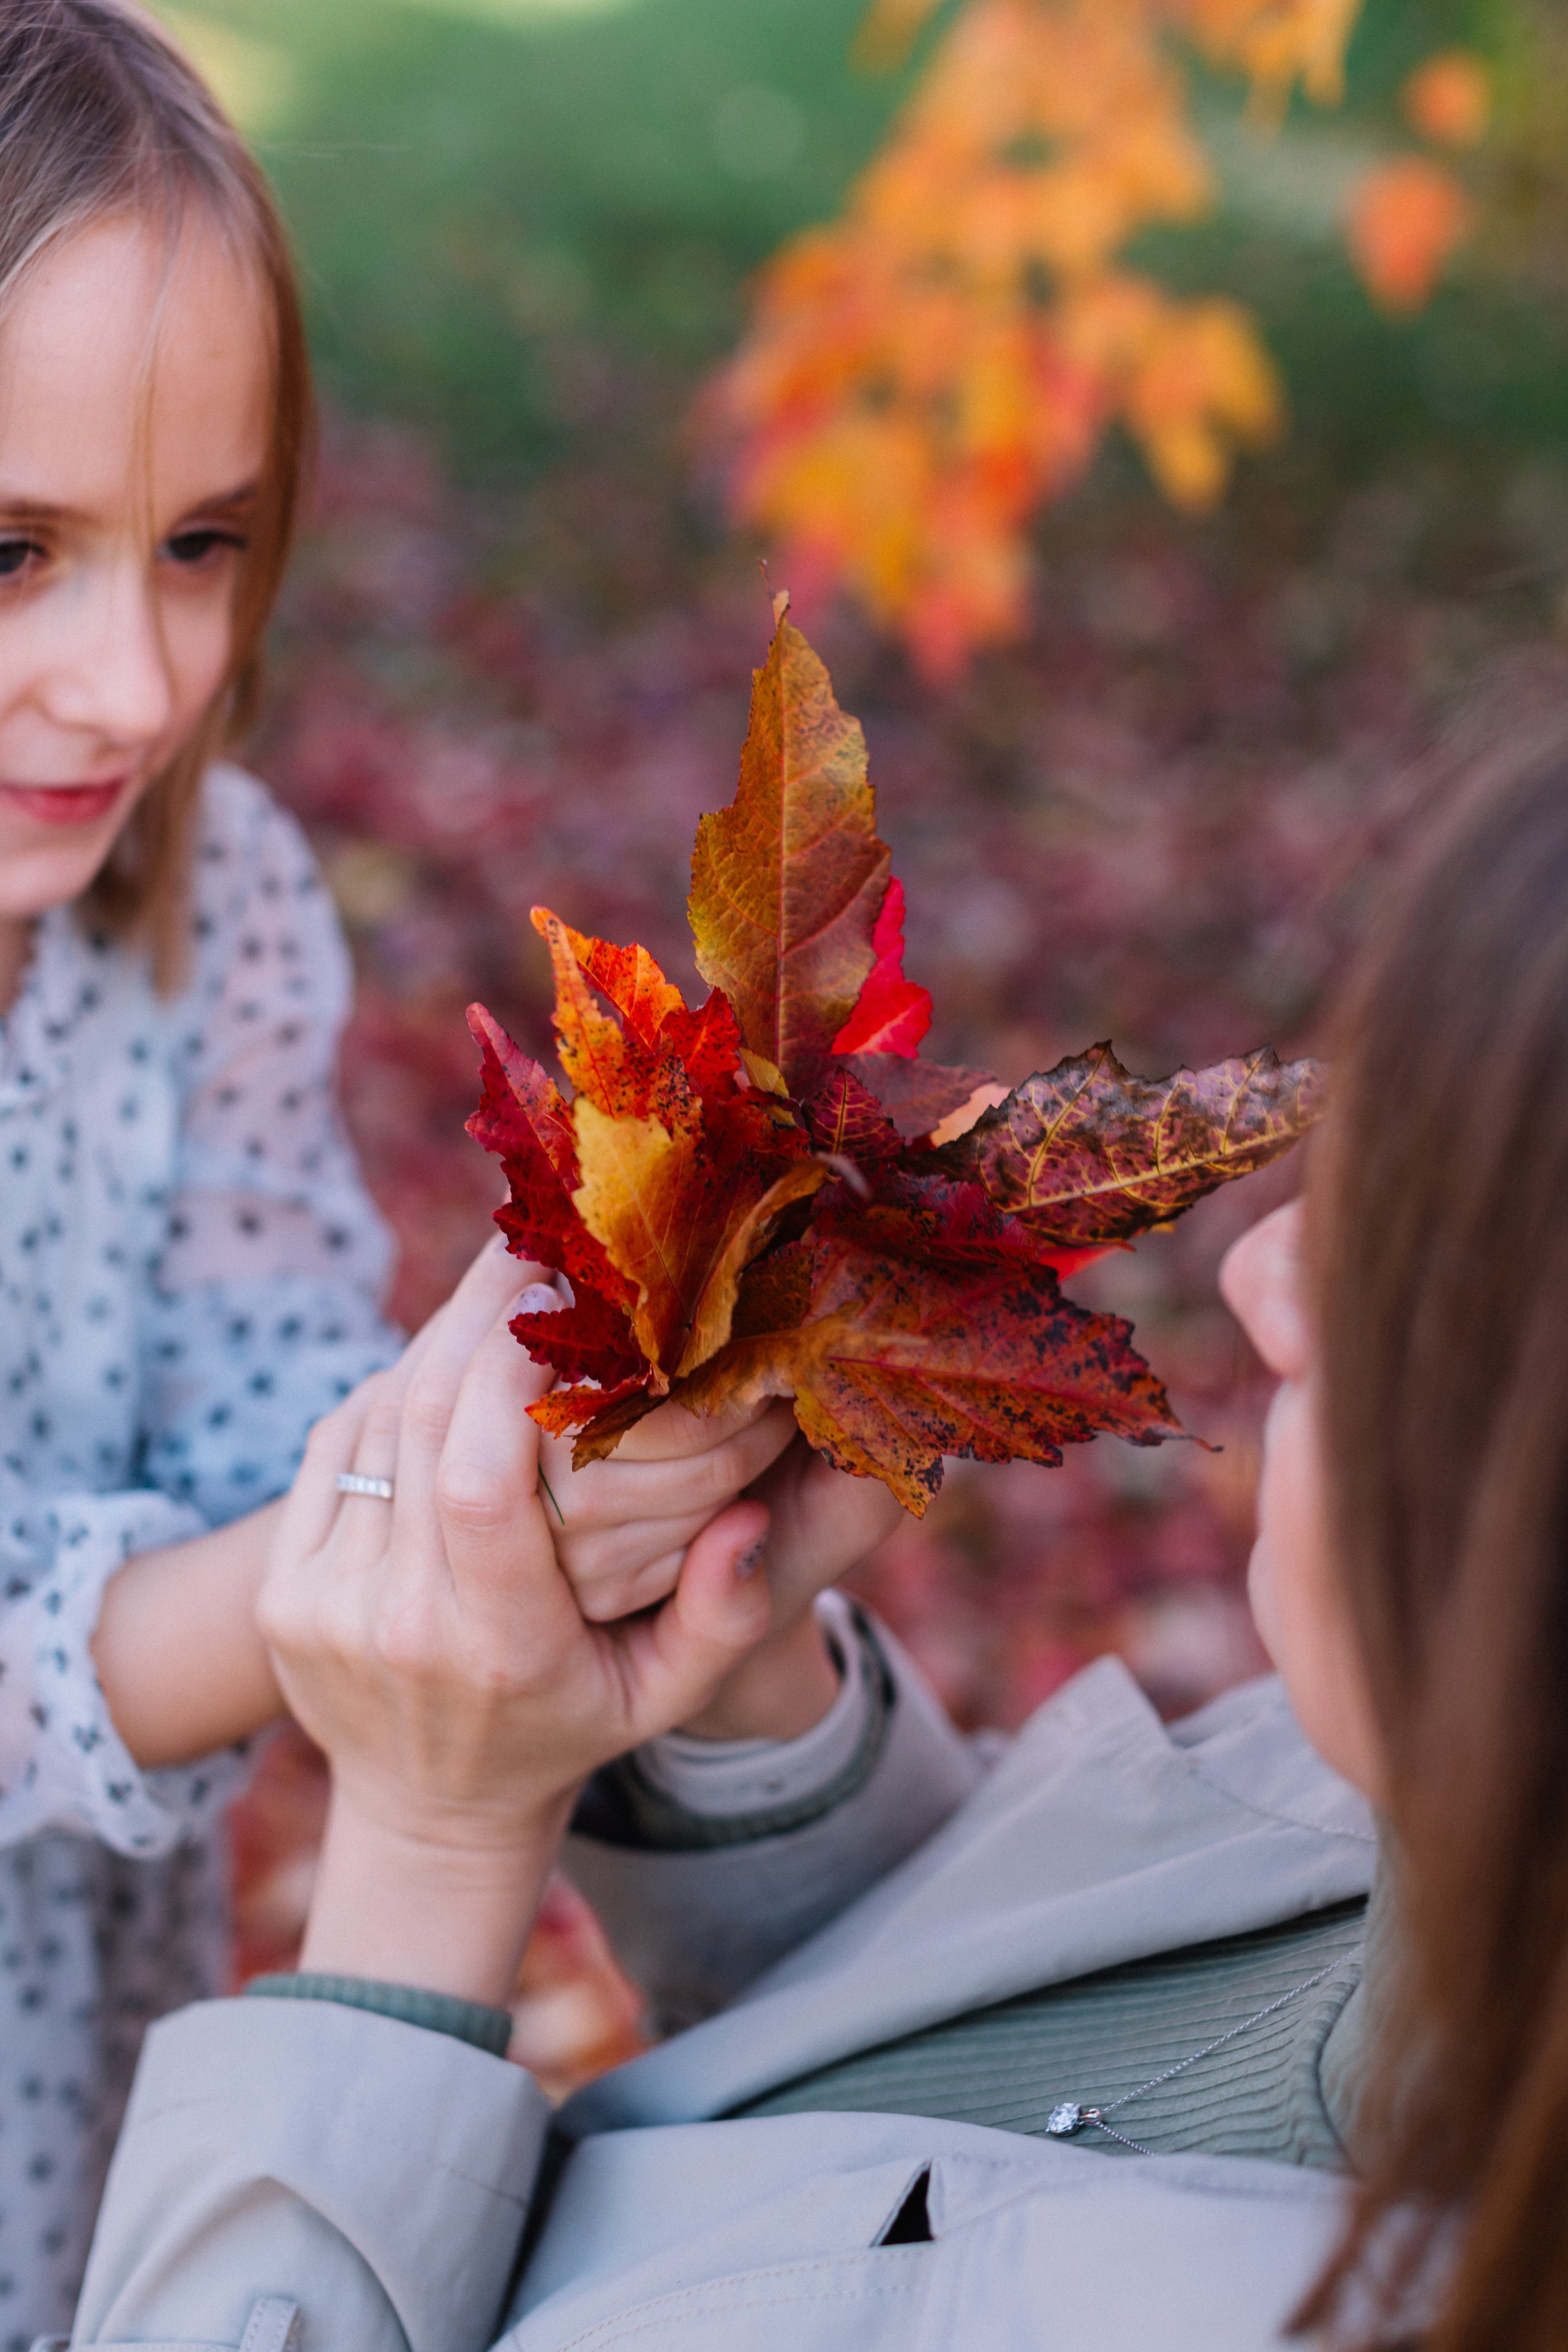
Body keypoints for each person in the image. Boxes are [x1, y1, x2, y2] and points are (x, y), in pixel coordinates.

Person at [52, 734, 1568, 2346]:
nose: (1268, 1274)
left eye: (1435, 1261)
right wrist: (745, 1711)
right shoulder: (1421, 1811)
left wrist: (425, 1861)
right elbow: (928, 2109)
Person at [0, 9, 805, 2341]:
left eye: (202, 541)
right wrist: (410, 1553)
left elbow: (269, 1414)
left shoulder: (205, 888)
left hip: (72, 2082)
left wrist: (514, 1457)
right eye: (11, 549)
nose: (133, 681)